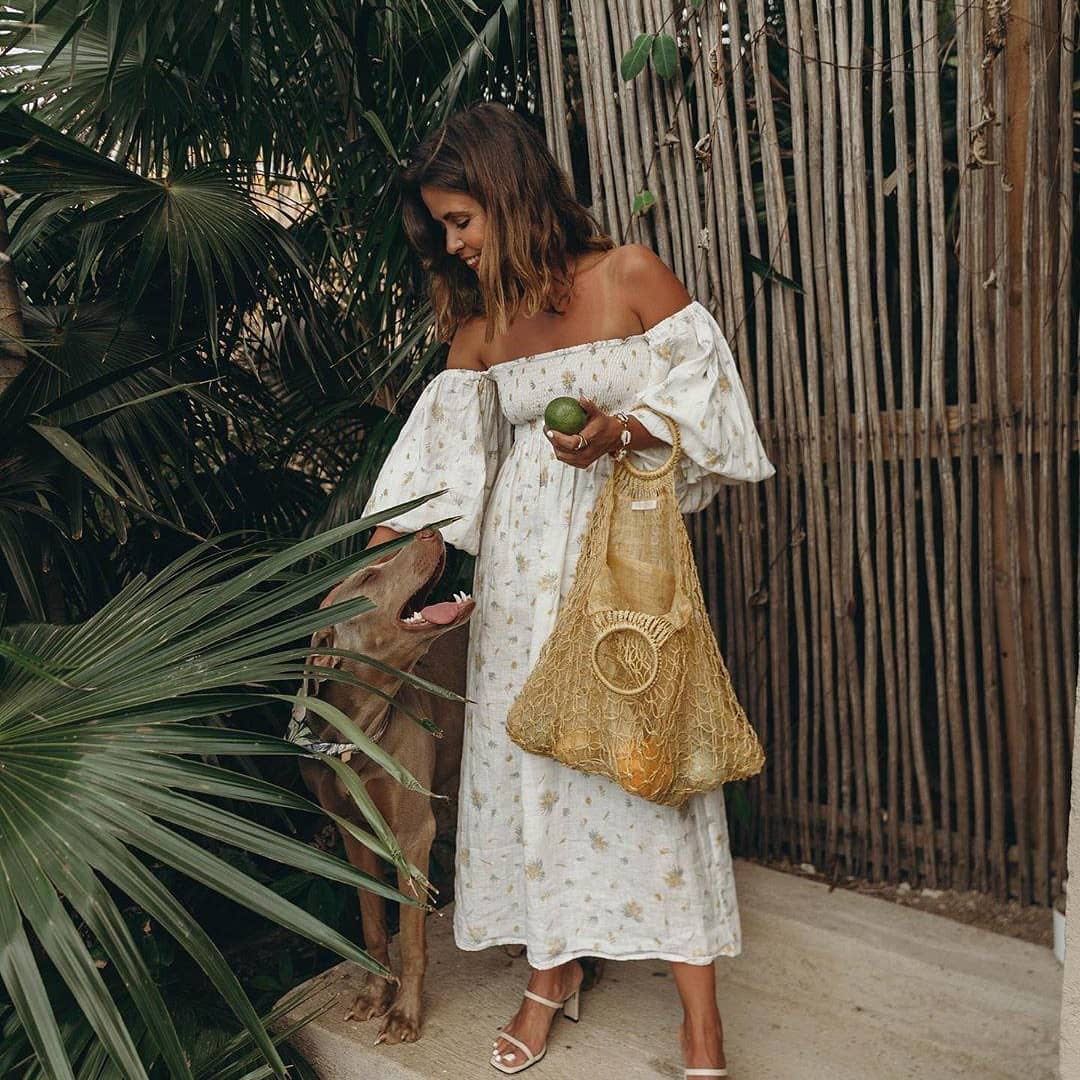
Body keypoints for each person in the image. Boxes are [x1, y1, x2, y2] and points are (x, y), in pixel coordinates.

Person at [361, 102, 774, 1077]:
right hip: (518, 591)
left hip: (627, 573)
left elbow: (715, 411)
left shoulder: (629, 276)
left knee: (651, 769)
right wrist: (358, 587)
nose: (453, 246)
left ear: (509, 190)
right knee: (532, 775)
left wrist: (618, 431)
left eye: (462, 220)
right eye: (442, 229)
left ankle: (701, 1023)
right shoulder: (479, 332)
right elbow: (429, 486)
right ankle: (551, 975)